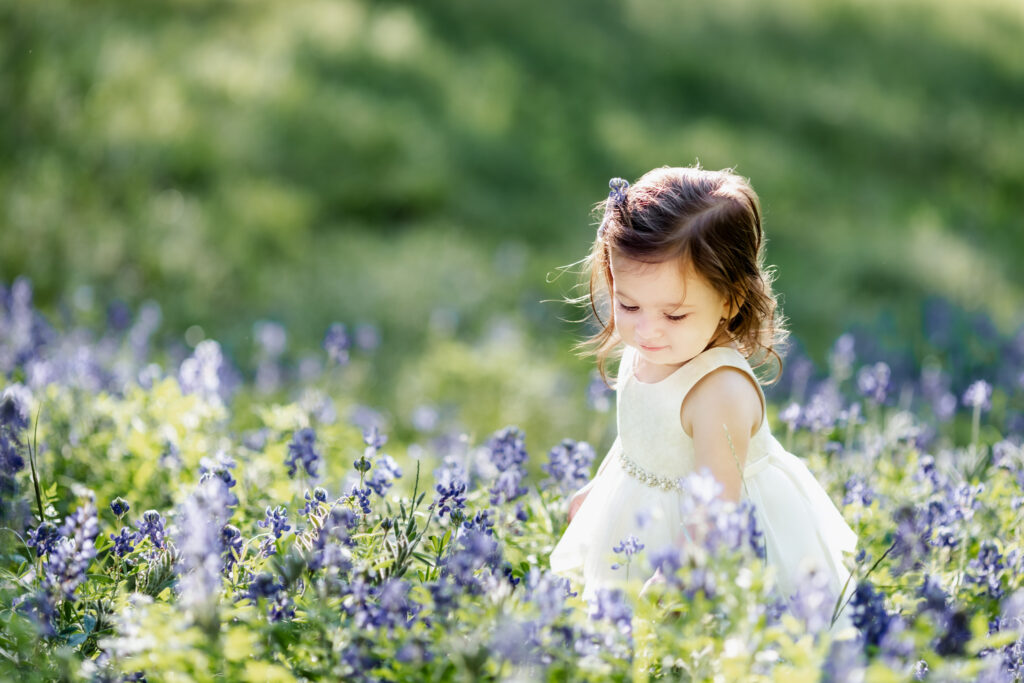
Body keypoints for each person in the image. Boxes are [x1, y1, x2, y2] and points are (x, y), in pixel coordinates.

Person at [548, 165, 858, 632]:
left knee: (719, 646)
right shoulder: (651, 349)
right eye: (628, 305)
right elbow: (642, 439)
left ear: (730, 301)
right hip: (644, 519)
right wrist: (598, 488)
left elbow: (716, 511)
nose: (646, 329)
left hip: (715, 540)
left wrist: (677, 577)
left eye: (674, 314)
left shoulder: (719, 392)